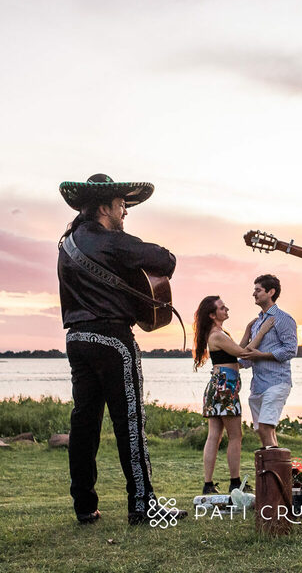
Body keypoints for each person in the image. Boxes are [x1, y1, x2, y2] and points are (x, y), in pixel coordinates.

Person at [57, 173, 187, 526]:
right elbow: (166, 260)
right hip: (113, 338)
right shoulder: (112, 241)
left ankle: (85, 506)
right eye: (121, 205)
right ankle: (142, 505)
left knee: (84, 424)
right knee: (130, 421)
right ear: (104, 208)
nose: (125, 211)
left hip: (77, 339)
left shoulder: (67, 244)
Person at [193, 295, 276, 495]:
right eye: (222, 308)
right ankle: (235, 482)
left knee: (214, 436)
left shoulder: (219, 334)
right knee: (235, 436)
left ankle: (208, 485)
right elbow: (244, 353)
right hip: (225, 387)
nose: (226, 309)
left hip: (218, 385)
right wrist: (263, 330)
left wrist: (247, 330)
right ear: (212, 315)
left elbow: (237, 352)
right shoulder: (217, 335)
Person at [237, 274, 298, 449]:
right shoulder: (257, 323)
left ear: (271, 292)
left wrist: (261, 355)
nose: (254, 294)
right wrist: (231, 367)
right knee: (264, 431)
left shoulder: (283, 318)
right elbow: (250, 357)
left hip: (277, 382)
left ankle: (273, 464)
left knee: (265, 426)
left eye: (258, 290)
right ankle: (274, 465)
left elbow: (290, 350)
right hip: (257, 386)